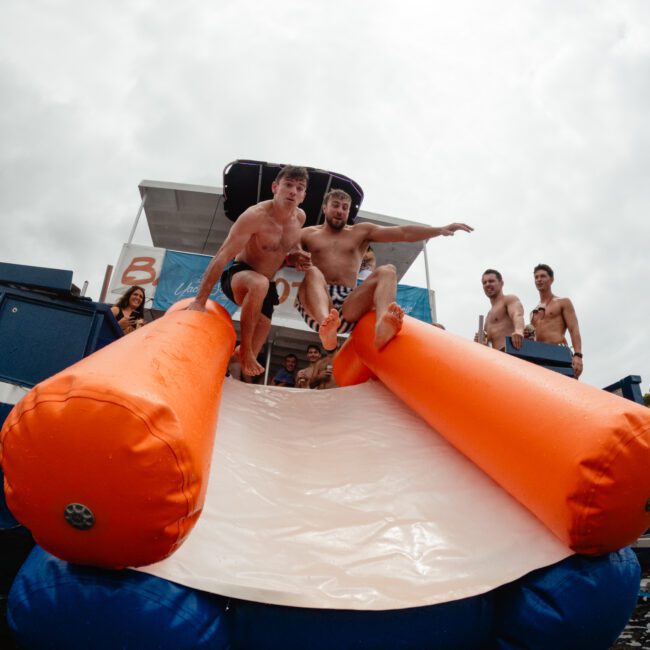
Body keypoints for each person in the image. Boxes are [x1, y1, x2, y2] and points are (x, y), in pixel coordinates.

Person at [293, 189, 473, 352]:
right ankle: (327, 329)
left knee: (388, 270)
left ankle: (382, 328)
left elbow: (403, 233)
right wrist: (296, 255)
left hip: (349, 304)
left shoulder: (360, 232)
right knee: (313, 272)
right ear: (325, 208)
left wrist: (439, 230)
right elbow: (288, 249)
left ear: (349, 212)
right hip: (318, 303)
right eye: (335, 205)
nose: (340, 210)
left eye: (345, 207)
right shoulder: (307, 234)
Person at [187, 166, 311, 376]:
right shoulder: (255, 216)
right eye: (288, 185)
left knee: (253, 351)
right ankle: (245, 349)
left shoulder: (300, 218)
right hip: (239, 276)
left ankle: (233, 359)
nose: (293, 191)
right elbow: (222, 255)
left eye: (299, 188)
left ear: (303, 196)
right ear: (275, 187)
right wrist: (199, 301)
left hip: (267, 284)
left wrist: (296, 254)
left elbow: (288, 247)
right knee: (259, 283)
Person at [531, 263, 583, 379]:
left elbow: (574, 329)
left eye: (543, 276)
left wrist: (578, 355)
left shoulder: (563, 302)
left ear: (551, 279)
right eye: (536, 277)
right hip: (539, 358)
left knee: (567, 389)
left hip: (559, 352)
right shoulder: (533, 313)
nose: (539, 279)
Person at [475, 269, 525, 351]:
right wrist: (482, 342)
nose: (487, 284)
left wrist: (519, 331)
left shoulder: (509, 299)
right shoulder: (488, 318)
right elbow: (489, 345)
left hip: (511, 353)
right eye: (484, 283)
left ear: (501, 283)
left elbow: (517, 315)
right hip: (496, 358)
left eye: (491, 281)